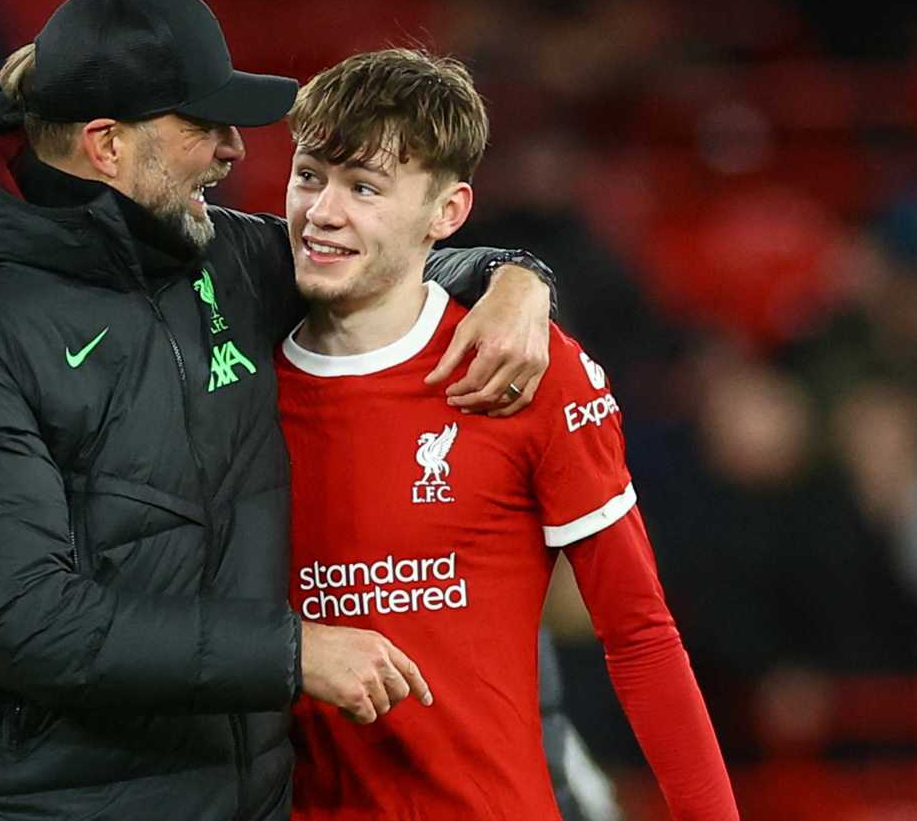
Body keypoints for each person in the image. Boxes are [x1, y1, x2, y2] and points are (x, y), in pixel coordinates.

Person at [0, 0, 560, 818]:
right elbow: (26, 621)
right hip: (21, 801)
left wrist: (519, 281)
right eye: (204, 124)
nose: (234, 148)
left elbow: (379, 263)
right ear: (107, 144)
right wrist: (295, 655)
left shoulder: (214, 256)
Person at [272, 49, 736, 818]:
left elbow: (641, 635)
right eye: (309, 176)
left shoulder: (530, 368)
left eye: (364, 187)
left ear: (447, 212)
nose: (322, 210)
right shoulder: (240, 376)